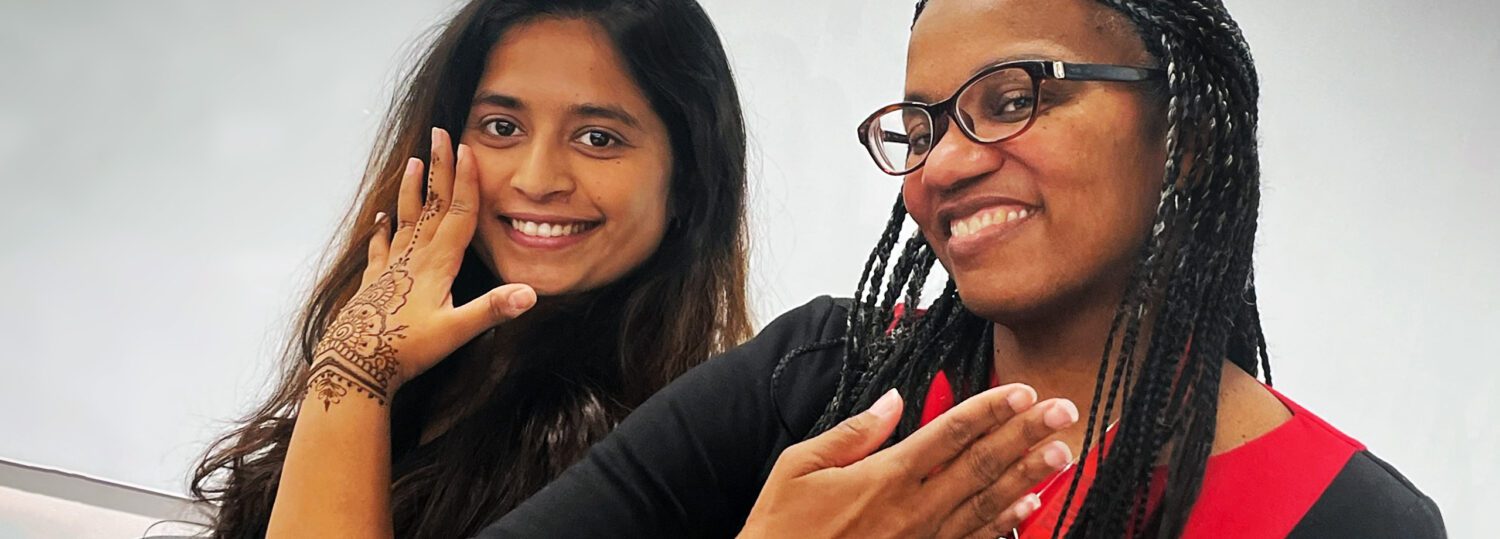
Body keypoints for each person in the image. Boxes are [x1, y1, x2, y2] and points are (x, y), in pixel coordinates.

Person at [479, 0, 1446, 537]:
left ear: (1183, 139)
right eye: (923, 123)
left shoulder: (1353, 519)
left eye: (1016, 96)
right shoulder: (818, 377)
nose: (941, 162)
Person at [187, 0, 752, 537]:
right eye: (502, 127)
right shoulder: (430, 361)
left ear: (689, 181)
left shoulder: (684, 442)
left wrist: (355, 373)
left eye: (597, 137)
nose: (536, 178)